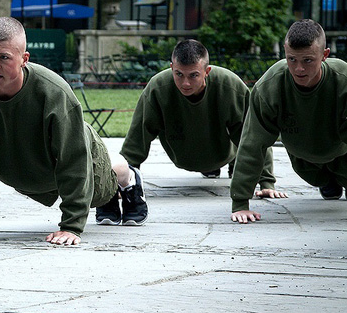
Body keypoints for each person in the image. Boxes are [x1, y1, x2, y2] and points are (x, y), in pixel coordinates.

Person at [0, 17, 147, 247]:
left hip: (75, 152)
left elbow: (74, 162)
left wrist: (71, 226)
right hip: (31, 168)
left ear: (24, 59)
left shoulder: (54, 94)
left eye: (4, 57)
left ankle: (128, 177)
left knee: (99, 191)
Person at [118, 39, 284, 220]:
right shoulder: (157, 88)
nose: (185, 83)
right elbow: (138, 137)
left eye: (193, 75)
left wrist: (266, 182)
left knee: (241, 141)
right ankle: (210, 168)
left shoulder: (230, 86)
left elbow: (255, 135)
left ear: (207, 71)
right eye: (179, 74)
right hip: (182, 155)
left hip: (224, 152)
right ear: (171, 67)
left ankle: (228, 165)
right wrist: (122, 182)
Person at [231, 19, 347, 223]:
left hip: (341, 151)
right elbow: (252, 143)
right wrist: (240, 202)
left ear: (325, 55)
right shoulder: (269, 86)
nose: (299, 68)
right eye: (291, 59)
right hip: (303, 159)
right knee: (317, 178)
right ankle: (328, 182)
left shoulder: (343, 79)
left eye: (308, 60)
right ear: (284, 53)